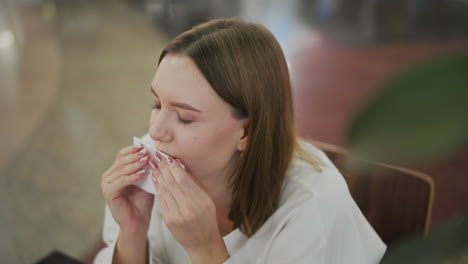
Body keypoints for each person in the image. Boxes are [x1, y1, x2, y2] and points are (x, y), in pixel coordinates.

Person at [95, 18, 386, 264]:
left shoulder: (313, 209)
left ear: (246, 132)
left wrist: (204, 248)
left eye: (184, 117)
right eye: (157, 105)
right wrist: (133, 232)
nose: (156, 132)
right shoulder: (156, 159)